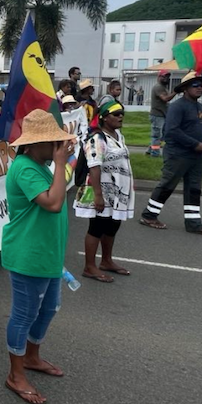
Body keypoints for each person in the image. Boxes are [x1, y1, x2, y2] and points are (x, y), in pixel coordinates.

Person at [1, 109, 75, 404]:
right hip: (28, 255)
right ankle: (15, 375)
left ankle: (31, 358)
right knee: (24, 314)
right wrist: (60, 162)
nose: (57, 147)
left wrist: (59, 162)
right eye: (52, 142)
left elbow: (60, 187)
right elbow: (53, 203)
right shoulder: (25, 167)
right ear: (32, 145)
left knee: (48, 309)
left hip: (47, 253)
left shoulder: (40, 163)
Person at [140, 71, 202, 235]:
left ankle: (193, 224)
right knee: (167, 185)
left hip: (196, 157)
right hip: (178, 154)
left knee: (194, 188)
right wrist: (195, 144)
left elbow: (200, 129)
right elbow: (171, 131)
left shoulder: (199, 106)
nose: (200, 88)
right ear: (185, 88)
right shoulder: (177, 106)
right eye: (195, 85)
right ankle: (148, 215)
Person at [74, 101, 134, 283]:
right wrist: (98, 195)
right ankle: (89, 266)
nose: (120, 116)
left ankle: (106, 261)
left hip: (118, 191)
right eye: (115, 114)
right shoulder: (97, 139)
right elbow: (94, 167)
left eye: (121, 113)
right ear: (104, 117)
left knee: (113, 225)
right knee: (97, 226)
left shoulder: (118, 135)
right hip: (99, 190)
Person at [146, 70, 175, 157]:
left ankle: (149, 150)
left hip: (162, 115)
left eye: (167, 77)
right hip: (157, 115)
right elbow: (165, 98)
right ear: (159, 77)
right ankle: (155, 154)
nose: (166, 78)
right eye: (164, 76)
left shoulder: (163, 87)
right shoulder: (158, 87)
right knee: (156, 136)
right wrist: (175, 92)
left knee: (161, 135)